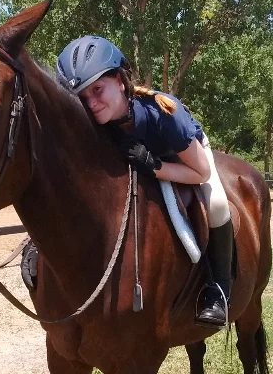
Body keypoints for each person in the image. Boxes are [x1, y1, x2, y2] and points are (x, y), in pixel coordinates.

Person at [21, 35, 234, 328]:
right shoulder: (97, 124)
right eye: (83, 97)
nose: (92, 104)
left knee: (219, 204)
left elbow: (201, 173)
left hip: (186, 156)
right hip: (145, 159)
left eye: (98, 89)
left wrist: (155, 167)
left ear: (120, 81)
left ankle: (219, 289)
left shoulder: (164, 113)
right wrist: (37, 241)